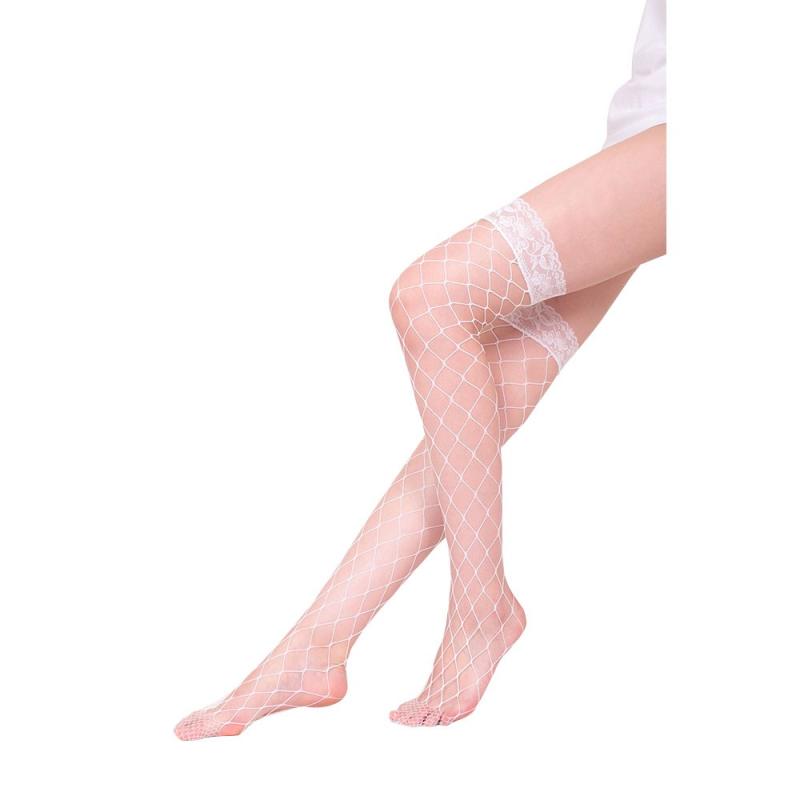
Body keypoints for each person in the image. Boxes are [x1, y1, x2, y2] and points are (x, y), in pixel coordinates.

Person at [174, 0, 666, 738]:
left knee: (432, 297)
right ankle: (315, 646)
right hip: (651, 118)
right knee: (475, 398)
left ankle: (480, 610)